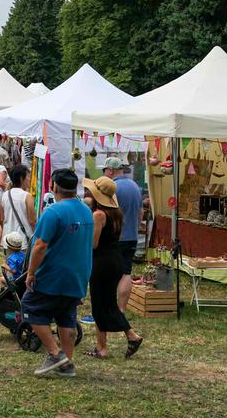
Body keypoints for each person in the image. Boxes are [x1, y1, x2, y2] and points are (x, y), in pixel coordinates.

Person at [23, 168, 94, 378]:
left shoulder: (53, 212)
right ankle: (67, 365)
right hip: (79, 273)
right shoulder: (86, 211)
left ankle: (55, 354)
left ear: (54, 186)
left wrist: (31, 272)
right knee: (66, 317)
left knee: (30, 308)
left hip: (54, 274)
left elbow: (40, 245)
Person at [83, 176, 144, 360]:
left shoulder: (98, 215)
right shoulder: (116, 212)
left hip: (102, 262)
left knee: (100, 306)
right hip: (114, 260)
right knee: (107, 303)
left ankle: (122, 340)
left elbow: (93, 244)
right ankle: (106, 345)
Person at [103, 157, 142, 312]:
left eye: (105, 171)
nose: (104, 174)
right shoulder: (134, 186)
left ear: (110, 171)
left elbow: (107, 214)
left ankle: (108, 308)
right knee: (126, 273)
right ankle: (122, 309)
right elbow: (140, 212)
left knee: (109, 274)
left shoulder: (112, 188)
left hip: (115, 237)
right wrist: (135, 228)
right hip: (131, 236)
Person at [0, 164, 35, 250]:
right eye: (28, 177)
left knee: (9, 259)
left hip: (8, 240)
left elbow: (1, 219)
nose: (29, 179)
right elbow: (32, 221)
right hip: (23, 241)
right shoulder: (27, 196)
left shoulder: (4, 195)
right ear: (21, 178)